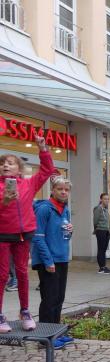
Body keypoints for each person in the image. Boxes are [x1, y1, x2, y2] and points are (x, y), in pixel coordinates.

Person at [0, 134, 54, 333]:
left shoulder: (28, 184)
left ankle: (25, 311)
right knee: (2, 275)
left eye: (11, 163)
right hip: (3, 235)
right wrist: (5, 201)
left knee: (22, 273)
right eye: (3, 163)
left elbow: (47, 170)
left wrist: (43, 149)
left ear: (19, 169)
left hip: (24, 235)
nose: (6, 165)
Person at [30, 175, 74, 348]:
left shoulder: (65, 209)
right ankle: (44, 338)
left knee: (59, 298)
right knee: (49, 299)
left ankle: (56, 333)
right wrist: (48, 261)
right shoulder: (44, 209)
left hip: (62, 258)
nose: (63, 192)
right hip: (48, 261)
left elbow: (64, 235)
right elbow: (37, 237)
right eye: (60, 189)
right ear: (53, 190)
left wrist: (70, 231)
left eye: (66, 190)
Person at [93, 193, 110, 274]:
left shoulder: (105, 209)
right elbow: (95, 221)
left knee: (104, 249)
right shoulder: (98, 208)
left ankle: (104, 266)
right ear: (101, 199)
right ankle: (101, 268)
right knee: (101, 249)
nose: (107, 200)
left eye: (108, 199)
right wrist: (97, 229)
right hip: (100, 230)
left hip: (106, 231)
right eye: (105, 199)